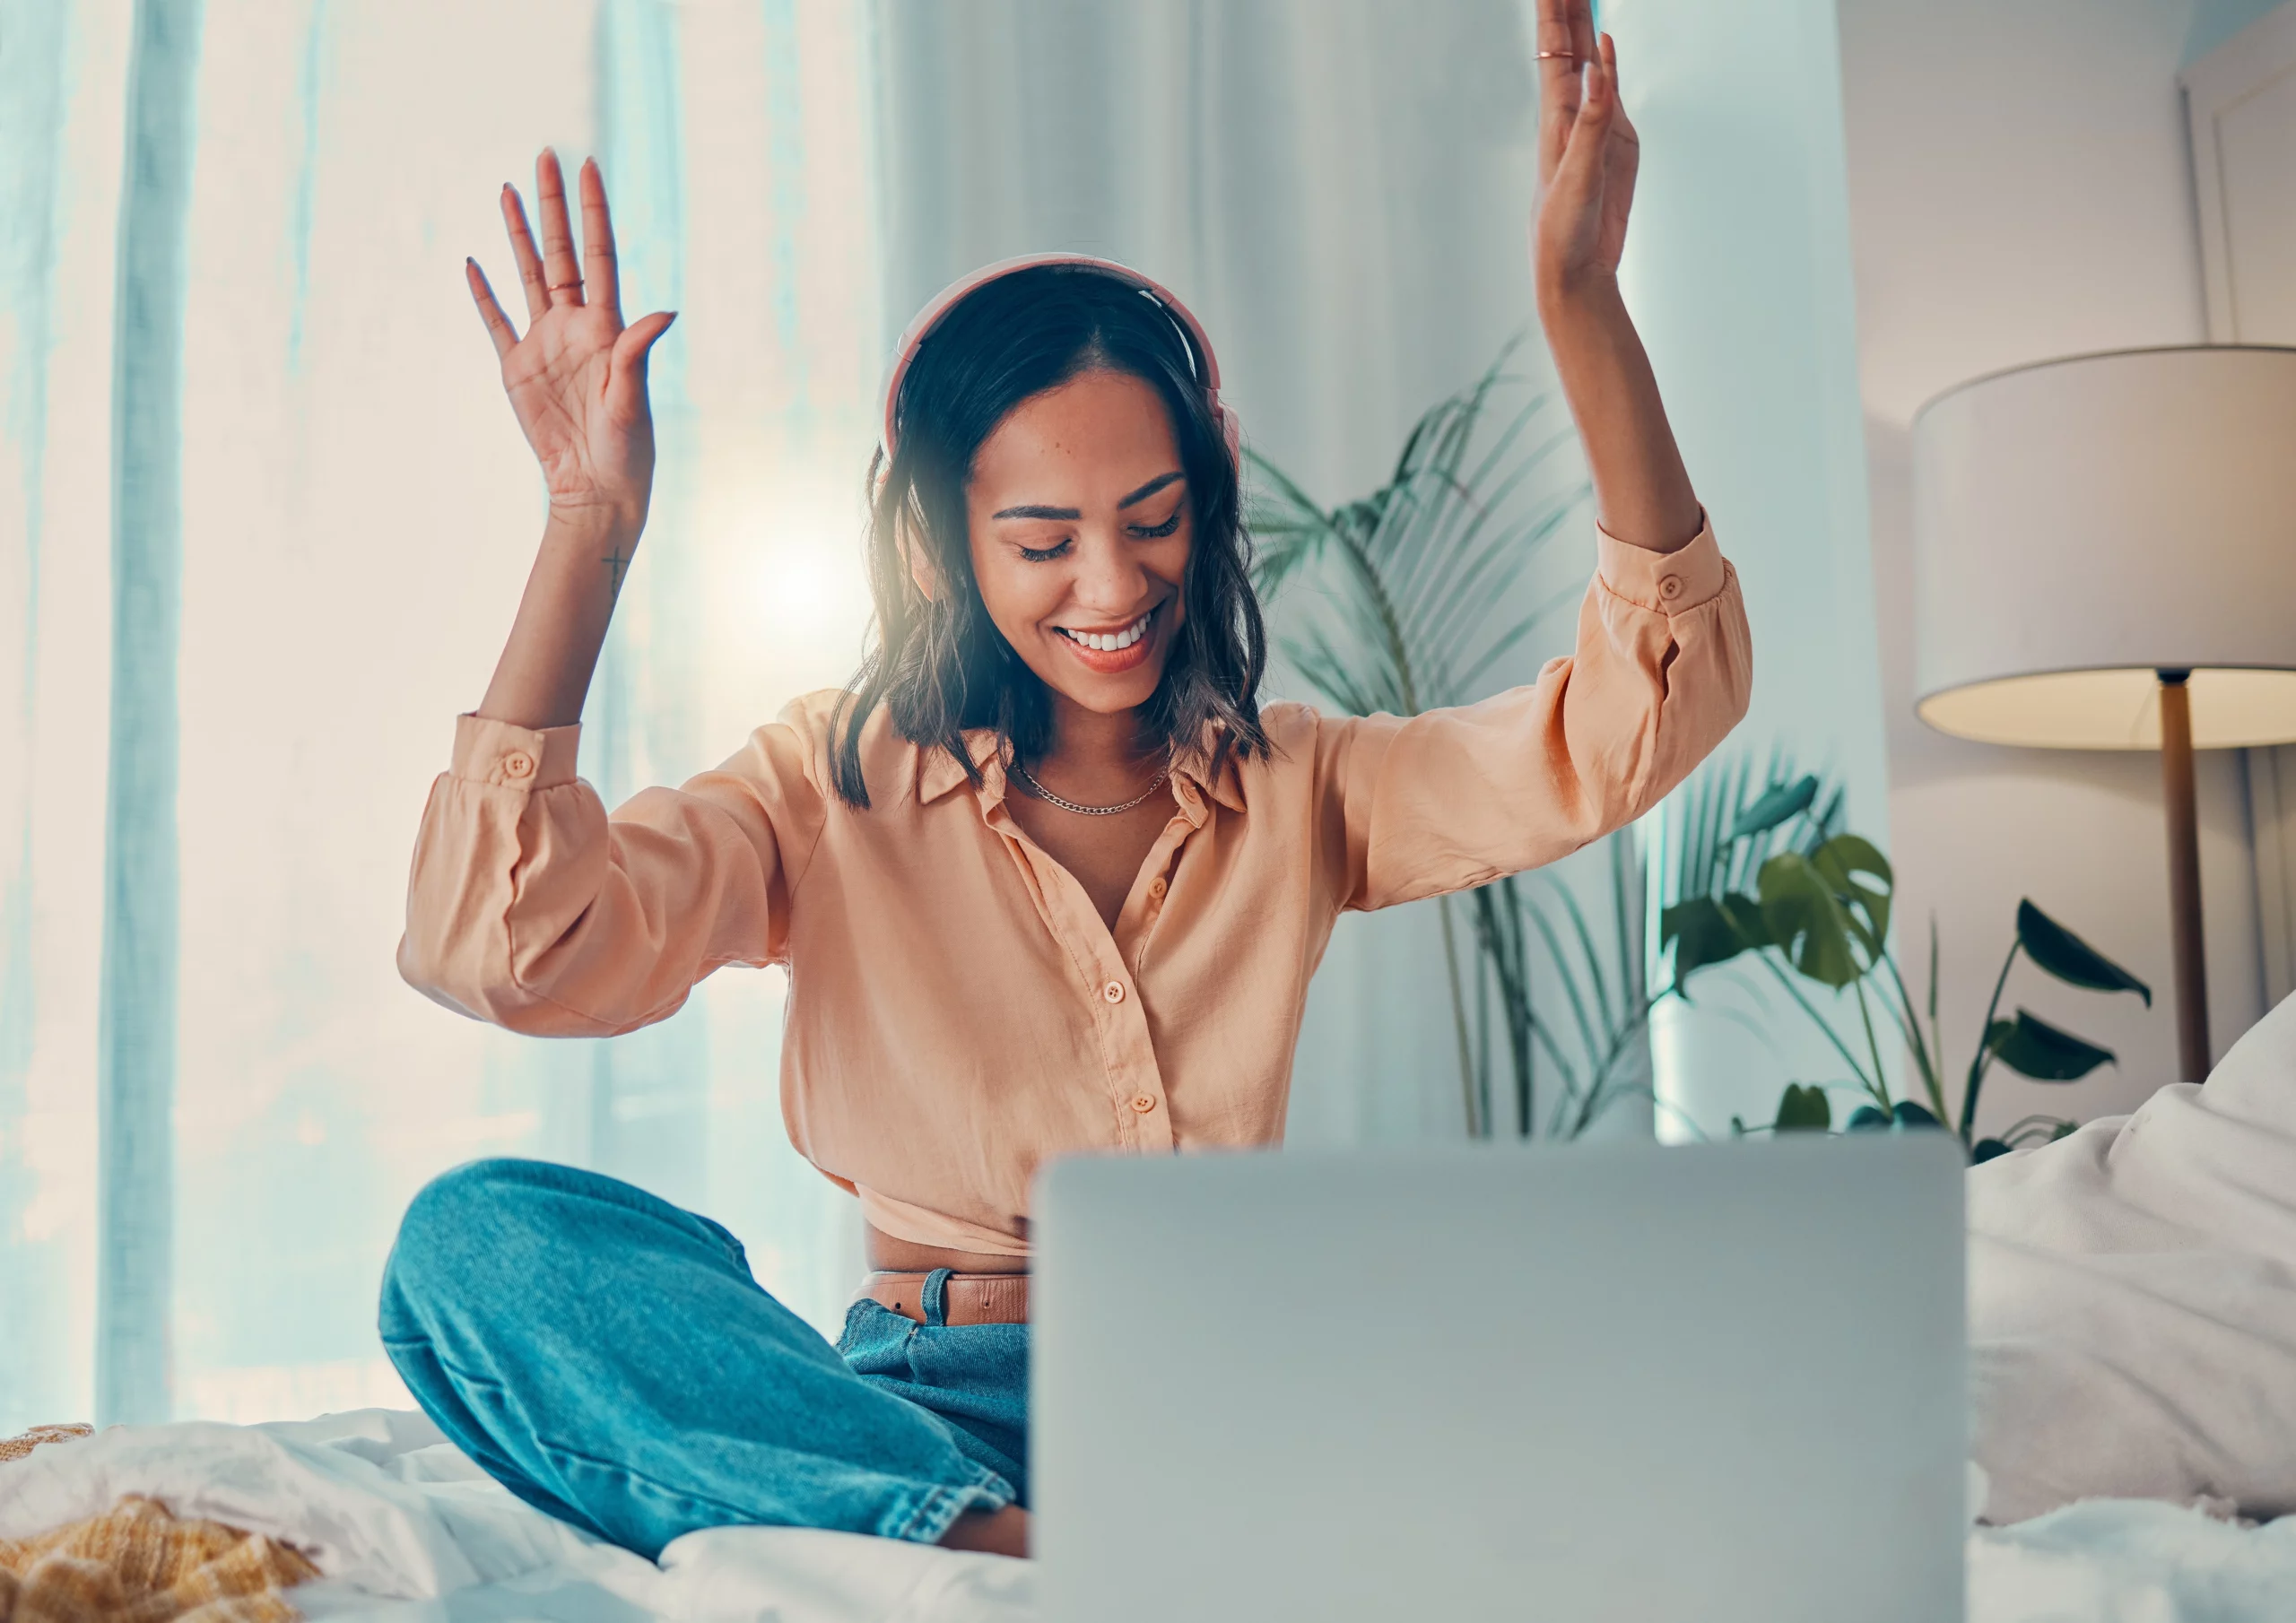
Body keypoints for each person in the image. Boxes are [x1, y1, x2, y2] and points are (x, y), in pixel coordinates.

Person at [379, 7, 1749, 1563]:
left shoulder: (1306, 785)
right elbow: (506, 948)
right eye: (1042, 541)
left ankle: (982, 1544)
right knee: (476, 1240)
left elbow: (1645, 715)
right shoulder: (823, 785)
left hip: (1225, 1387)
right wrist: (586, 530)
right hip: (926, 1397)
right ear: (934, 544)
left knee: (1586, 1384)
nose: (1113, 584)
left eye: (1155, 518)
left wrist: (1585, 308)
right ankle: (986, 1538)